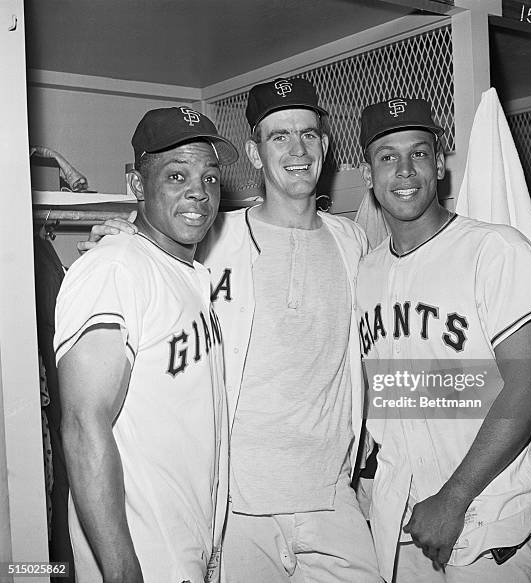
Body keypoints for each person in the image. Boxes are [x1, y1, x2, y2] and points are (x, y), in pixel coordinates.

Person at [83, 78, 381, 583]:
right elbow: (157, 254)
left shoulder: (352, 240)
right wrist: (123, 238)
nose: (297, 149)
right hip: (237, 507)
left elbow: (382, 357)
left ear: (326, 146)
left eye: (308, 135)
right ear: (254, 151)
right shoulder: (213, 237)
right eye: (279, 136)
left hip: (332, 500)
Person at [354, 97, 531, 582]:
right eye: (387, 157)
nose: (405, 171)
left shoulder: (496, 249)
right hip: (399, 520)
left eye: (419, 153)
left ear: (440, 163)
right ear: (368, 174)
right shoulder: (368, 269)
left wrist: (453, 498)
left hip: (484, 519)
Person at [54, 106, 238, 583]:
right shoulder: (114, 268)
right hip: (143, 560)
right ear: (137, 185)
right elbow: (81, 422)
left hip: (187, 550)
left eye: (211, 178)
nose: (199, 192)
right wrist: (121, 570)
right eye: (176, 175)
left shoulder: (190, 274)